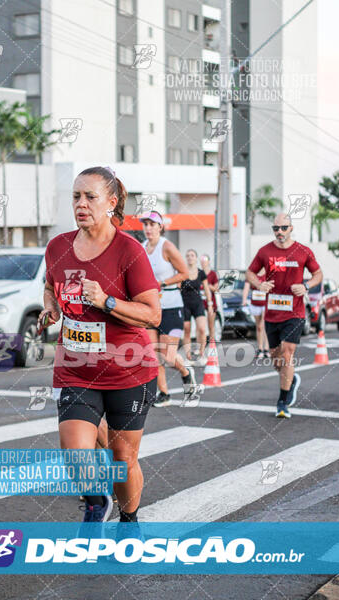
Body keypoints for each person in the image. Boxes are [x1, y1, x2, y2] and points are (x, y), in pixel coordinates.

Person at [39, 166, 161, 524]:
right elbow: (51, 284)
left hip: (129, 371)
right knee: (75, 452)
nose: (81, 204)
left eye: (90, 197)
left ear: (110, 203)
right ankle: (96, 501)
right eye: (76, 196)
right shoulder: (58, 246)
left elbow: (152, 314)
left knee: (123, 460)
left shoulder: (129, 251)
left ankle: (130, 519)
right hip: (76, 368)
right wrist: (51, 306)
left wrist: (107, 301)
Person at [246, 213, 322, 418]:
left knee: (288, 354)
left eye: (283, 228)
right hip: (272, 314)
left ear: (291, 228)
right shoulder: (265, 251)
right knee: (276, 359)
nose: (279, 232)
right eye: (275, 228)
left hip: (294, 313)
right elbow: (250, 273)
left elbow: (318, 274)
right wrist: (259, 284)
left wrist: (305, 286)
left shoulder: (303, 251)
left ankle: (282, 402)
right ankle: (291, 380)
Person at [140, 211, 199, 407]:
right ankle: (164, 394)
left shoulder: (167, 247)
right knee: (153, 354)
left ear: (160, 227)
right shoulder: (141, 248)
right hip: (150, 309)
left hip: (171, 307)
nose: (148, 228)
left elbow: (185, 273)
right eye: (145, 224)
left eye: (152, 224)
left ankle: (185, 371)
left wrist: (162, 283)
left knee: (168, 355)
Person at [181, 249, 214, 363]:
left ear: (196, 258)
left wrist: (210, 304)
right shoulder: (182, 272)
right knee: (187, 330)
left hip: (198, 304)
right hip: (185, 304)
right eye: (188, 255)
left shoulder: (201, 273)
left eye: (192, 255)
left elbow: (207, 289)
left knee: (202, 329)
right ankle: (188, 357)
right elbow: (177, 288)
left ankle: (202, 354)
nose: (190, 257)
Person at [242, 269, 270, 358]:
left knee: (263, 324)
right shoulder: (252, 275)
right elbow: (246, 288)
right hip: (255, 304)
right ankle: (260, 348)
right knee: (259, 327)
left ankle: (266, 349)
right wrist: (244, 300)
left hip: (266, 304)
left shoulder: (268, 274)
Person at [200, 254, 219, 340]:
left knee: (211, 325)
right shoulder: (198, 273)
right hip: (200, 303)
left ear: (208, 262)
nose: (203, 263)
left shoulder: (213, 274)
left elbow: (216, 289)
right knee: (201, 327)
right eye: (202, 261)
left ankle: (212, 344)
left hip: (211, 303)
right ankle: (201, 346)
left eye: (205, 261)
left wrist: (206, 284)